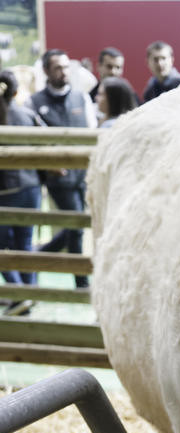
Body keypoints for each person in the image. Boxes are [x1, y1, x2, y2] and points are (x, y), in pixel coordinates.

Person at [28, 49, 97, 289]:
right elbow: (30, 142)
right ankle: (81, 283)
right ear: (46, 70)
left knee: (76, 224)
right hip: (58, 176)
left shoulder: (82, 98)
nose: (64, 72)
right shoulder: (34, 102)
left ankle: (38, 255)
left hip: (85, 174)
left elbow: (93, 132)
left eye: (66, 67)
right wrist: (48, 163)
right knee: (76, 225)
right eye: (58, 67)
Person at [0, 69, 43, 316]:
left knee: (3, 245)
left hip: (4, 191)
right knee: (25, 243)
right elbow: (49, 142)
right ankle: (31, 292)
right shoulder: (27, 114)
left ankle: (19, 292)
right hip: (30, 187)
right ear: (16, 91)